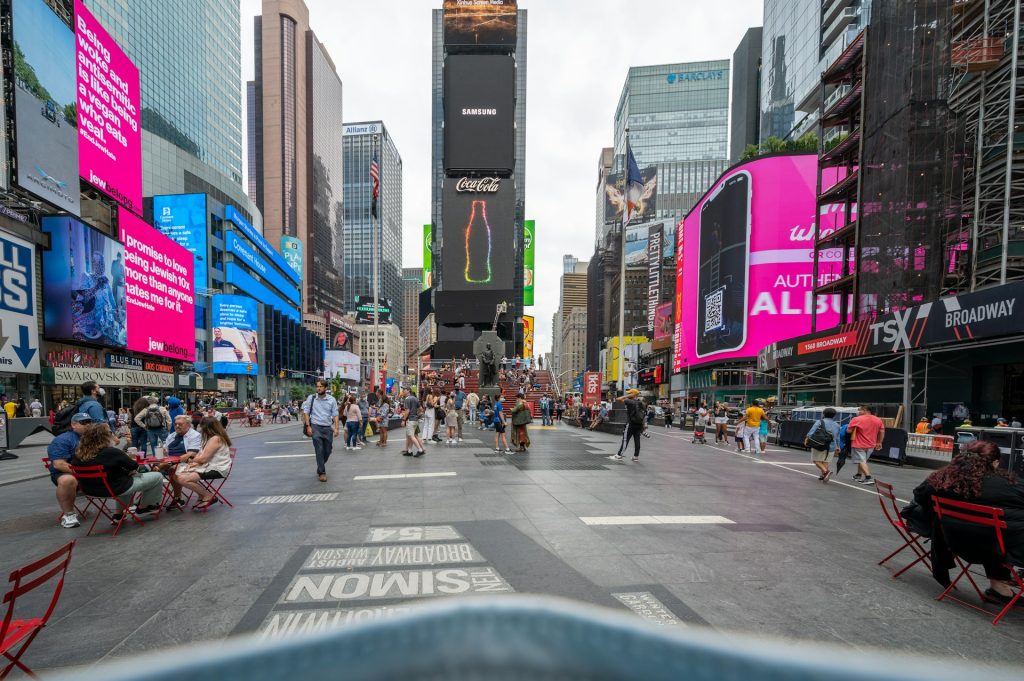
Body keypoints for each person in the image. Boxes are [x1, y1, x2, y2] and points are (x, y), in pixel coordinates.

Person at [913, 440, 1024, 600]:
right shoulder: (1009, 485)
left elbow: (920, 497)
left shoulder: (942, 479)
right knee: (1001, 531)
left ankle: (1000, 587)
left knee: (992, 530)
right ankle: (1001, 585)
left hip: (952, 542)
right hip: (996, 548)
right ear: (994, 463)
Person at [71, 422, 164, 516]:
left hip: (89, 491)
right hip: (115, 489)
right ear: (104, 436)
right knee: (157, 477)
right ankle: (144, 507)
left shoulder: (78, 455)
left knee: (124, 479)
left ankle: (118, 514)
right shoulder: (111, 452)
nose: (112, 434)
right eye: (110, 433)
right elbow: (134, 466)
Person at [174, 417, 233, 511]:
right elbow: (201, 457)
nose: (200, 429)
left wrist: (191, 460)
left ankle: (208, 496)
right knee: (177, 474)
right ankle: (201, 495)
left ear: (208, 428)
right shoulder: (212, 438)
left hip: (217, 469)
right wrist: (194, 462)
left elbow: (203, 459)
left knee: (181, 478)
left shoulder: (215, 439)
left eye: (202, 427)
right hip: (211, 466)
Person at [46, 413, 93, 528]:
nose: (87, 425)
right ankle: (69, 515)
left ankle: (122, 510)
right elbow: (59, 465)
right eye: (83, 422)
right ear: (73, 424)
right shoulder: (63, 440)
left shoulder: (95, 437)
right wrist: (84, 473)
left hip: (94, 473)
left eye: (89, 422)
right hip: (68, 473)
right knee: (67, 480)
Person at [159, 415, 204, 510]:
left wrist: (171, 462)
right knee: (145, 469)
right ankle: (149, 503)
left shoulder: (195, 435)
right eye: (176, 424)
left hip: (187, 463)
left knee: (172, 469)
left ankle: (178, 498)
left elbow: (191, 454)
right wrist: (164, 453)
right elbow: (165, 449)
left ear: (188, 425)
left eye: (180, 424)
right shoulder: (172, 435)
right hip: (169, 461)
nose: (177, 426)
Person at [302, 380, 340, 482]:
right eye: (317, 386)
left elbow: (335, 414)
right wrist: (308, 426)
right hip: (315, 426)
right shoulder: (312, 398)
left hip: (327, 428)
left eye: (321, 386)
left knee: (328, 450)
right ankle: (322, 472)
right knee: (319, 449)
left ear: (325, 388)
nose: (318, 388)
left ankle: (320, 467)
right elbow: (306, 413)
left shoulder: (332, 400)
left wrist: (336, 428)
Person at [846, 405, 884, 484]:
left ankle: (868, 477)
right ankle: (858, 475)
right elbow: (882, 432)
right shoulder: (878, 420)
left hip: (858, 444)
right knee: (863, 460)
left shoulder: (856, 419)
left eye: (860, 410)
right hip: (871, 444)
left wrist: (853, 429)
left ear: (866, 410)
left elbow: (848, 431)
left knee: (861, 460)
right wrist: (879, 442)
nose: (859, 412)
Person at [805, 407, 842, 483]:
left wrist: (807, 439)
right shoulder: (837, 425)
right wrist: (838, 446)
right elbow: (838, 437)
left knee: (816, 460)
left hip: (820, 444)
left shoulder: (820, 422)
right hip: (831, 446)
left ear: (824, 414)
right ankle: (824, 476)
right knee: (825, 461)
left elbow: (812, 431)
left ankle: (826, 471)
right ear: (834, 415)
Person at [610, 389, 645, 463]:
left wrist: (629, 395)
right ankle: (636, 456)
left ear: (632, 394)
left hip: (630, 424)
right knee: (637, 440)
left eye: (630, 393)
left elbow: (618, 399)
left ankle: (619, 455)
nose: (628, 395)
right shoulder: (641, 403)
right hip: (638, 424)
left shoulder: (629, 401)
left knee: (625, 440)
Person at [401, 388, 425, 457]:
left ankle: (420, 450)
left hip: (410, 420)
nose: (403, 391)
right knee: (411, 435)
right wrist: (416, 414)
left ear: (409, 390)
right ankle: (410, 451)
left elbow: (407, 410)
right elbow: (421, 409)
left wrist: (403, 420)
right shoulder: (415, 398)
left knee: (411, 436)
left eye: (405, 390)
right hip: (415, 419)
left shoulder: (407, 399)